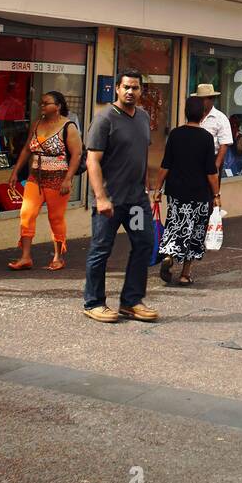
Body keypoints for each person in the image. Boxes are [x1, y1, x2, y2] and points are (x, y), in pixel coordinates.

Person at [83, 70, 158, 323]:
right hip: (111, 201)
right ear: (117, 88)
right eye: (126, 87)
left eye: (135, 88)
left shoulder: (143, 117)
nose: (130, 92)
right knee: (101, 249)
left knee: (144, 243)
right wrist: (101, 197)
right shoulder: (104, 118)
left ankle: (131, 301)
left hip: (136, 200)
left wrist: (146, 190)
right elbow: (92, 160)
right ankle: (94, 302)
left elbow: (141, 157)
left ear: (140, 91)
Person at [7, 91, 81, 271]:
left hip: (58, 178)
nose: (42, 106)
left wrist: (68, 179)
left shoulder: (68, 127)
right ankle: (25, 257)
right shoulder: (37, 123)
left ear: (58, 106)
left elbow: (77, 154)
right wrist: (15, 172)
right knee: (27, 214)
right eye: (41, 103)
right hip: (35, 177)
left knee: (55, 217)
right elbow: (26, 149)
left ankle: (58, 257)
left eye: (46, 103)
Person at [154, 95, 220, 286]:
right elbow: (211, 171)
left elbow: (165, 165)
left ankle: (169, 254)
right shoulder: (207, 138)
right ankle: (185, 273)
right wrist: (216, 195)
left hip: (176, 191)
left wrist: (157, 189)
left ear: (185, 113)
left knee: (175, 223)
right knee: (195, 231)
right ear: (202, 115)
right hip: (199, 193)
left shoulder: (175, 134)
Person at [192, 83, 233, 178]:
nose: (201, 102)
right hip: (194, 159)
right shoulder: (194, 116)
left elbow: (224, 144)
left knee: (210, 191)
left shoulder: (220, 118)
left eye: (203, 99)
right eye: (199, 100)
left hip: (211, 159)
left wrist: (216, 166)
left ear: (211, 99)